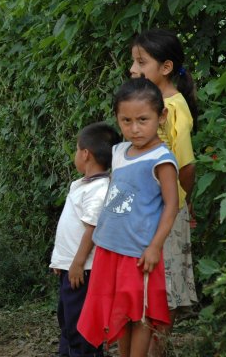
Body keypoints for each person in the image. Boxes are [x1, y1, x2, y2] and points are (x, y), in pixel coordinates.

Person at [77, 78, 179, 356]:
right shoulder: (119, 152)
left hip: (139, 253)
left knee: (140, 312)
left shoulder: (162, 159)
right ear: (117, 119)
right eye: (126, 120)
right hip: (109, 249)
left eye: (143, 119)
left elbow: (172, 206)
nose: (134, 129)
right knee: (119, 311)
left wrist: (155, 246)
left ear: (161, 116)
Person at [130, 28, 199, 355]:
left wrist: (178, 203)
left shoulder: (175, 108)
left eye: (141, 62)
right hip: (146, 215)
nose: (133, 70)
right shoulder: (150, 106)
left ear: (166, 67)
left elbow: (186, 166)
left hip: (165, 217)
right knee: (148, 292)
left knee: (163, 293)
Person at [49, 122, 120, 357]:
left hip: (83, 270)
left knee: (81, 326)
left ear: (85, 153)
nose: (75, 154)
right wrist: (62, 262)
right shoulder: (81, 184)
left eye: (76, 149)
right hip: (71, 267)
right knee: (67, 319)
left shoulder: (99, 188)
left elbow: (92, 229)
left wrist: (77, 262)